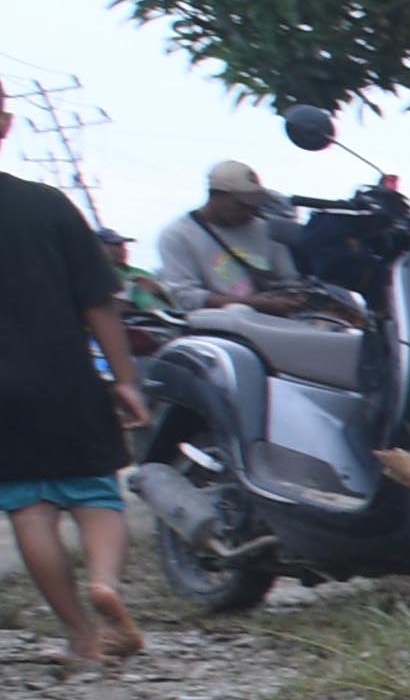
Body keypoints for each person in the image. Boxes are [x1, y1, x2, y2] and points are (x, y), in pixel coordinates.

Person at [0, 170, 148, 668]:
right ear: (4, 125)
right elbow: (97, 301)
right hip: (66, 375)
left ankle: (82, 638)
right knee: (96, 495)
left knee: (29, 509)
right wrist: (124, 377)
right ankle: (104, 585)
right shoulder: (46, 204)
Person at [147, 161, 300, 313]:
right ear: (215, 195)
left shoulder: (266, 230)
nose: (249, 211)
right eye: (241, 204)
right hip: (214, 329)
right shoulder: (177, 235)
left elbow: (289, 280)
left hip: (273, 322)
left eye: (253, 204)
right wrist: (257, 304)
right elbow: (186, 297)